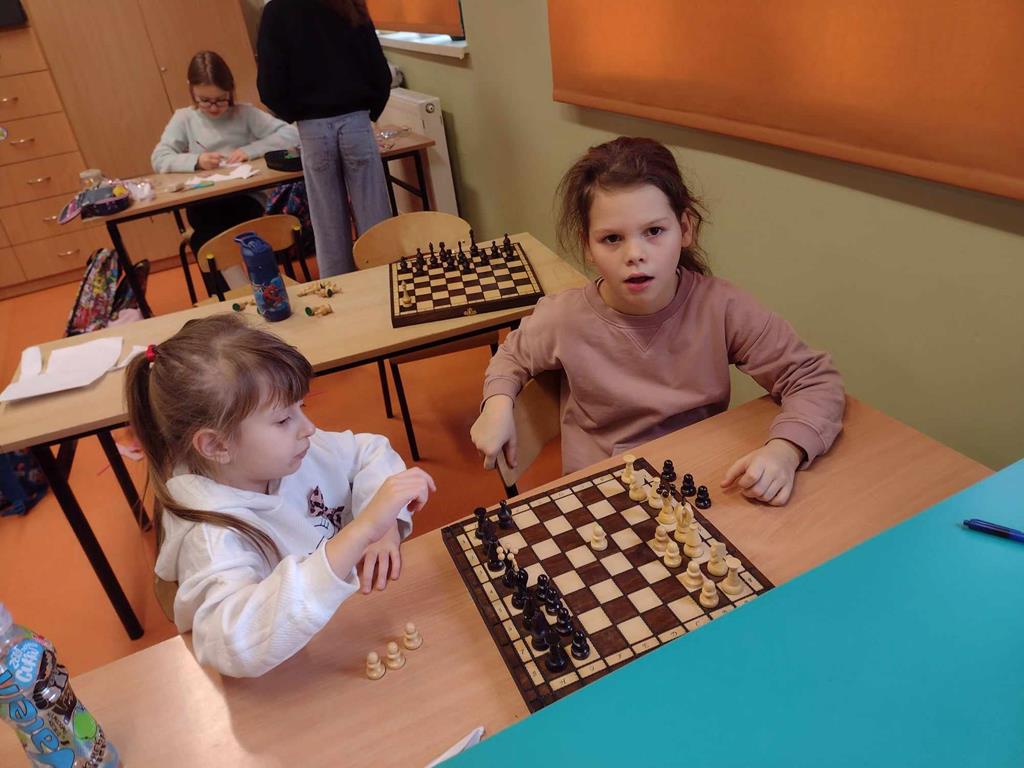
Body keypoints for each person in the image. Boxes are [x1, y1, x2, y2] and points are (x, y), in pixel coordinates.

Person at [471, 137, 845, 507]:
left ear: (685, 229)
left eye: (654, 231)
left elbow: (812, 378)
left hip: (698, 483)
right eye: (612, 238)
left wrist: (785, 450)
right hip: (603, 494)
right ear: (587, 246)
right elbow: (512, 357)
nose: (635, 254)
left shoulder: (721, 307)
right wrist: (497, 403)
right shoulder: (563, 318)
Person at [126, 315, 434, 677]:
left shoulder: (291, 453)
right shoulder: (210, 538)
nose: (309, 427)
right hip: (304, 668)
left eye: (301, 407)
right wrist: (362, 530)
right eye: (283, 419)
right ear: (217, 445)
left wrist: (383, 530)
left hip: (358, 618)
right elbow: (234, 643)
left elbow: (369, 452)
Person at [257, 0, 394, 277]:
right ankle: (387, 284)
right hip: (356, 121)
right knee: (375, 218)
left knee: (327, 225)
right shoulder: (349, 3)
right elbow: (379, 70)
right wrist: (370, 111)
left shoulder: (278, 9)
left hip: (313, 128)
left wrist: (296, 114)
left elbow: (270, 84)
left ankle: (340, 294)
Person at [151, 50, 300, 290]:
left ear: (230, 90)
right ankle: (250, 289)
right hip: (204, 200)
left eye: (220, 99)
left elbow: (292, 134)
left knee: (206, 237)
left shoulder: (244, 113)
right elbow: (159, 157)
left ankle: (239, 293)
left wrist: (250, 150)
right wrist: (196, 160)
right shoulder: (185, 119)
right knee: (206, 229)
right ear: (191, 91)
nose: (213, 107)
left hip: (245, 198)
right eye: (204, 100)